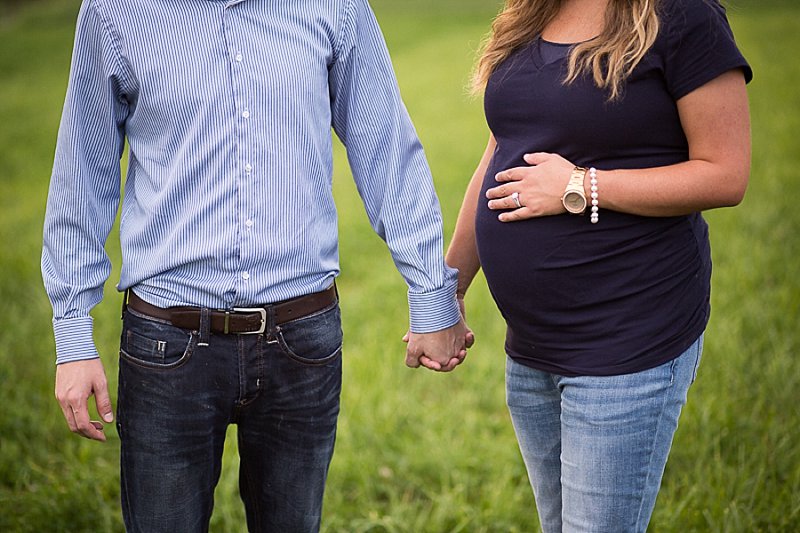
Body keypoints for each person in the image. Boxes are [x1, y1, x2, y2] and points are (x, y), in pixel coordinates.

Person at [42, 0, 470, 531]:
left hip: (302, 340)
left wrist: (431, 297)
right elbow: (82, 176)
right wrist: (72, 336)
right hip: (167, 345)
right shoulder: (114, 12)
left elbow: (387, 153)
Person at [446, 0, 751, 530]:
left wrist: (580, 185)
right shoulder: (530, 11)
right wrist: (448, 288)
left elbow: (725, 173)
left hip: (626, 339)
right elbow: (500, 153)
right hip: (532, 348)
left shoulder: (682, 16)